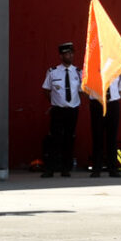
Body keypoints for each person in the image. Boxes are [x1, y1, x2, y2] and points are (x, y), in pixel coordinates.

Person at [41, 42, 83, 178]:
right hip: (58, 110)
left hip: (72, 110)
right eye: (67, 54)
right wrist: (55, 102)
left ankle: (66, 168)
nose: (70, 56)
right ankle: (50, 169)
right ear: (61, 56)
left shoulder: (79, 72)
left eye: (71, 53)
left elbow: (81, 91)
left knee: (69, 139)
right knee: (55, 139)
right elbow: (46, 90)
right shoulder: (53, 72)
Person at [88, 61, 121, 178]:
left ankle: (113, 169)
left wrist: (112, 99)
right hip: (97, 104)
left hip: (112, 104)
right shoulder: (92, 70)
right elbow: (86, 90)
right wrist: (98, 99)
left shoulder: (117, 69)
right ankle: (96, 169)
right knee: (97, 136)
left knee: (112, 137)